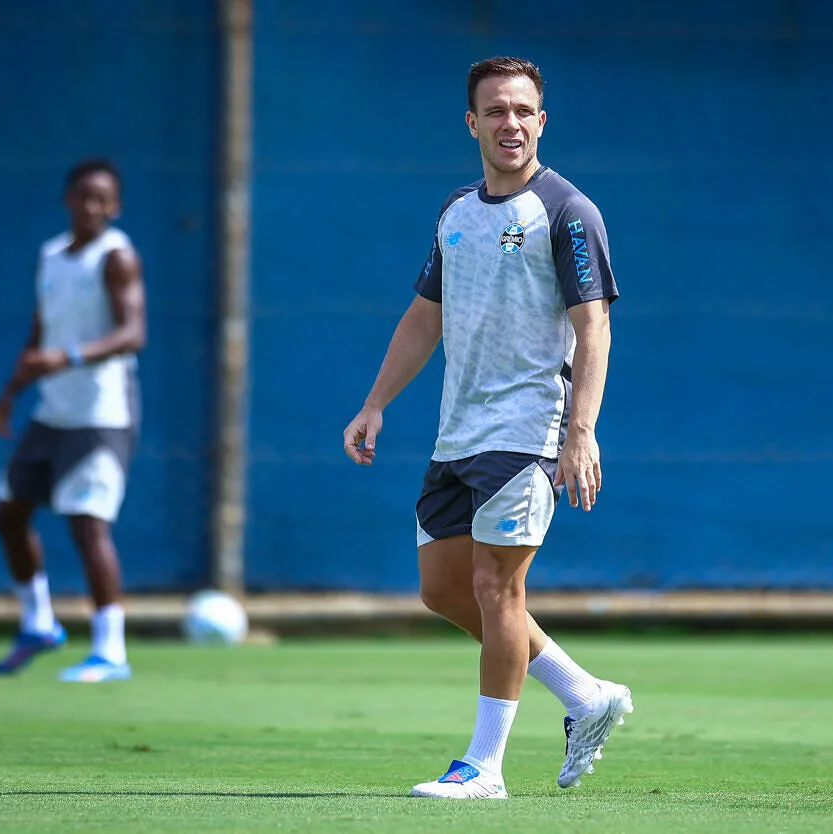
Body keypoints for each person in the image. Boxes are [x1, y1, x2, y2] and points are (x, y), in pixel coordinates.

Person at [343, 57, 631, 799]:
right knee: (443, 590)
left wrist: (580, 432)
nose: (511, 123)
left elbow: (594, 329)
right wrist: (375, 403)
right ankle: (584, 694)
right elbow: (424, 317)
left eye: (523, 110)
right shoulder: (456, 212)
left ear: (542, 121)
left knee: (496, 588)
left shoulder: (568, 211)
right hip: (457, 433)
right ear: (472, 123)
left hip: (529, 429)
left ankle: (484, 767)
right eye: (496, 111)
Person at [0, 158, 146, 684]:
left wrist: (69, 357)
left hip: (102, 414)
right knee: (9, 512)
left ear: (115, 207)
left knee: (87, 524)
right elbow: (42, 329)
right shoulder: (51, 255)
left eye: (103, 199)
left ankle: (110, 651)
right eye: (84, 196)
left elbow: (133, 333)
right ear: (68, 199)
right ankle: (38, 622)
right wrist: (12, 391)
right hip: (52, 411)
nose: (92, 207)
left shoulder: (117, 257)